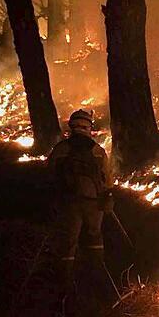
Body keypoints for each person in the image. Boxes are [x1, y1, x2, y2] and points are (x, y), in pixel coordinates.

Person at [47, 109, 117, 304]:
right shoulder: (97, 150)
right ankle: (98, 279)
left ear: (71, 127)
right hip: (93, 203)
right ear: (89, 127)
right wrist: (106, 196)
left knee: (68, 242)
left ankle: (65, 289)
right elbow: (108, 179)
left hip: (68, 203)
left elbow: (50, 174)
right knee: (94, 236)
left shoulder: (61, 149)